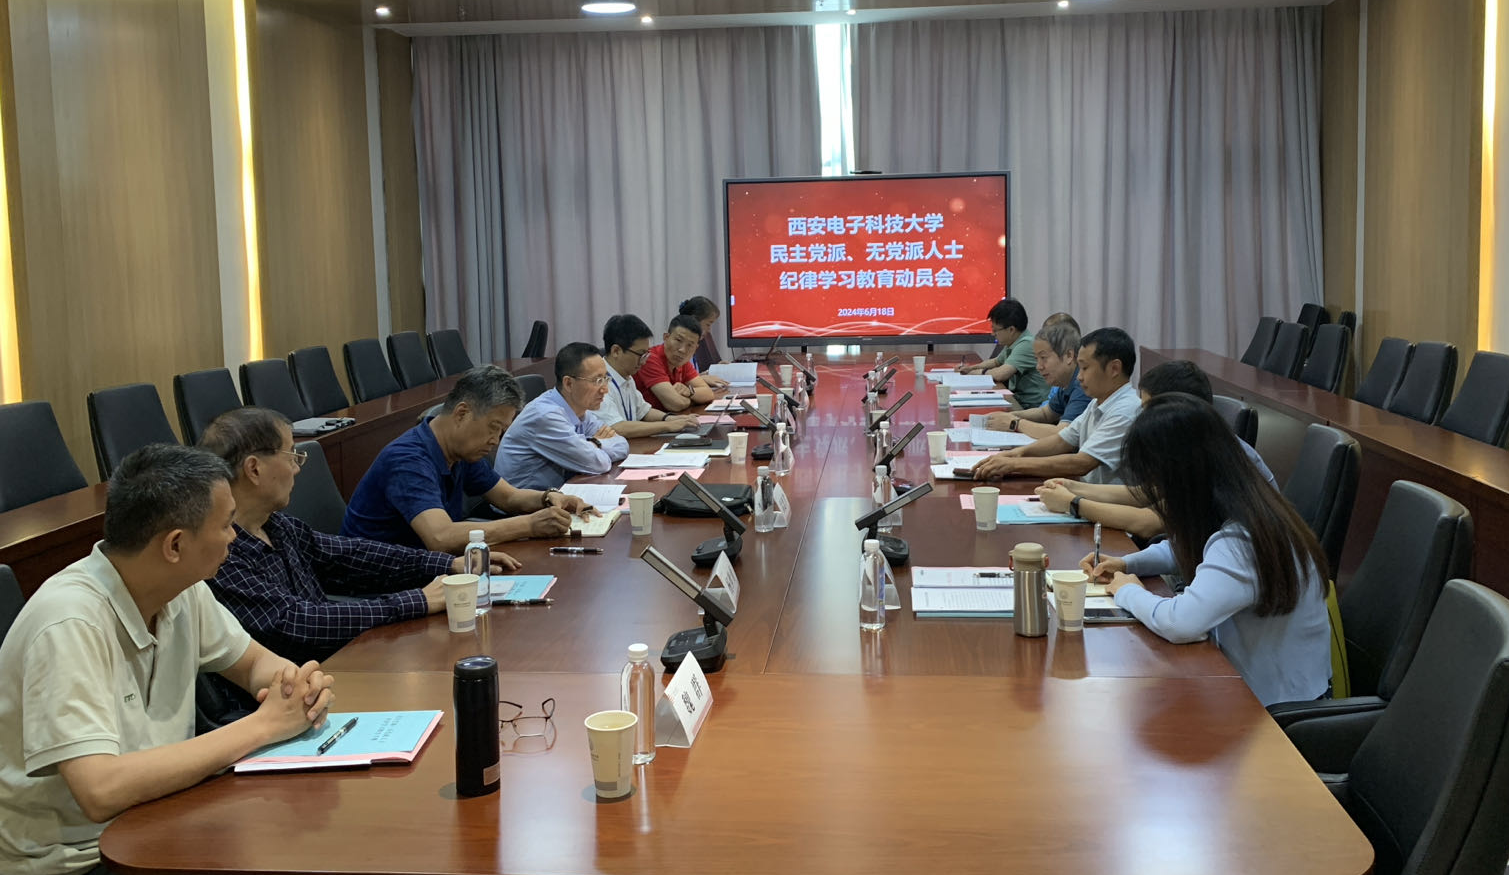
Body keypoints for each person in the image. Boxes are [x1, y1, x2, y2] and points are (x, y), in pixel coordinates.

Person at [0, 445, 336, 875]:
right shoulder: (67, 622)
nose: (235, 537)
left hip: (159, 818)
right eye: (225, 525)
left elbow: (253, 664)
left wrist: (296, 688)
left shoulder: (183, 589)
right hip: (75, 860)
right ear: (175, 544)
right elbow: (100, 790)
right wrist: (264, 725)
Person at [1081, 393, 1331, 706]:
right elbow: (1184, 550)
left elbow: (1180, 623)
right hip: (1250, 685)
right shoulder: (1242, 505)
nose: (1157, 493)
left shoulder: (1243, 540)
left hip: (1278, 712)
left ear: (1183, 476)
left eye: (1158, 481)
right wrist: (1127, 564)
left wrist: (1127, 590)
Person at [201, 407, 502, 666]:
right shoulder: (220, 554)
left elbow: (351, 556)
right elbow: (295, 622)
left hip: (338, 666)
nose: (297, 469)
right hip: (290, 692)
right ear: (254, 469)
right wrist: (416, 601)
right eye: (292, 456)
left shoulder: (278, 526)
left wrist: (447, 565)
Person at [340, 365, 592, 553]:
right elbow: (440, 537)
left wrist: (548, 497)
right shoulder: (407, 460)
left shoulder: (460, 451)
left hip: (421, 566)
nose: (496, 441)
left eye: (502, 431)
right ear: (462, 413)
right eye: (493, 428)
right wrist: (529, 526)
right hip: (374, 583)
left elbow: (508, 497)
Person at [1034, 359, 1279, 539]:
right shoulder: (1191, 444)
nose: (1142, 419)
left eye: (1148, 409)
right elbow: (1146, 493)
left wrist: (1074, 504)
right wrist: (1074, 487)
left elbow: (1149, 522)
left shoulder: (1209, 456)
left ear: (1176, 410)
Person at [970, 327, 1141, 484]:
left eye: (1085, 368)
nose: (1079, 377)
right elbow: (1062, 441)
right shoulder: (1098, 402)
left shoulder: (1124, 411)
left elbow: (1082, 463)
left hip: (1104, 503)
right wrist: (1015, 454)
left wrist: (1014, 464)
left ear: (1114, 369)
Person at [495, 342, 630, 491]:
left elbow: (622, 445)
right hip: (525, 502)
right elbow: (598, 464)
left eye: (605, 379)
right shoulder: (546, 416)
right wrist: (595, 443)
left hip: (557, 494)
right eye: (597, 381)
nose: (605, 389)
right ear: (569, 383)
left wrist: (593, 445)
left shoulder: (581, 411)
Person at [983, 317, 1091, 439]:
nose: (1038, 367)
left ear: (1069, 356)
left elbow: (1062, 434)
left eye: (1043, 358)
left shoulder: (1082, 384)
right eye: (1036, 359)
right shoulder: (1065, 381)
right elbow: (1046, 413)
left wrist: (1014, 423)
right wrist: (1008, 416)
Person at [598, 314, 703, 438]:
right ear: (616, 351)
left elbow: (644, 411)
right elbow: (616, 428)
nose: (644, 361)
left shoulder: (627, 376)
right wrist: (668, 426)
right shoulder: (598, 381)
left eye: (646, 354)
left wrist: (672, 418)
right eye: (641, 354)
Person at [956, 298, 1049, 407]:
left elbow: (1001, 374)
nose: (992, 334)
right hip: (1019, 399)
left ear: (1011, 330)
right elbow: (996, 362)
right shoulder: (1014, 341)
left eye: (995, 330)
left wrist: (974, 373)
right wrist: (970, 368)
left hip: (1032, 406)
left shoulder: (1026, 344)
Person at [634, 314, 715, 412]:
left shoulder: (682, 362)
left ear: (696, 348)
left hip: (670, 418)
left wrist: (689, 392)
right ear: (666, 337)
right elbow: (675, 404)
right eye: (678, 340)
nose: (682, 350)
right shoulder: (650, 359)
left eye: (690, 345)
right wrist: (694, 400)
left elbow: (708, 394)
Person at [680, 295, 730, 388]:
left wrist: (712, 371)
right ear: (694, 321)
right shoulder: (679, 350)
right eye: (708, 324)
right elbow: (679, 383)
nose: (709, 330)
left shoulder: (694, 347)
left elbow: (691, 376)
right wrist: (701, 379)